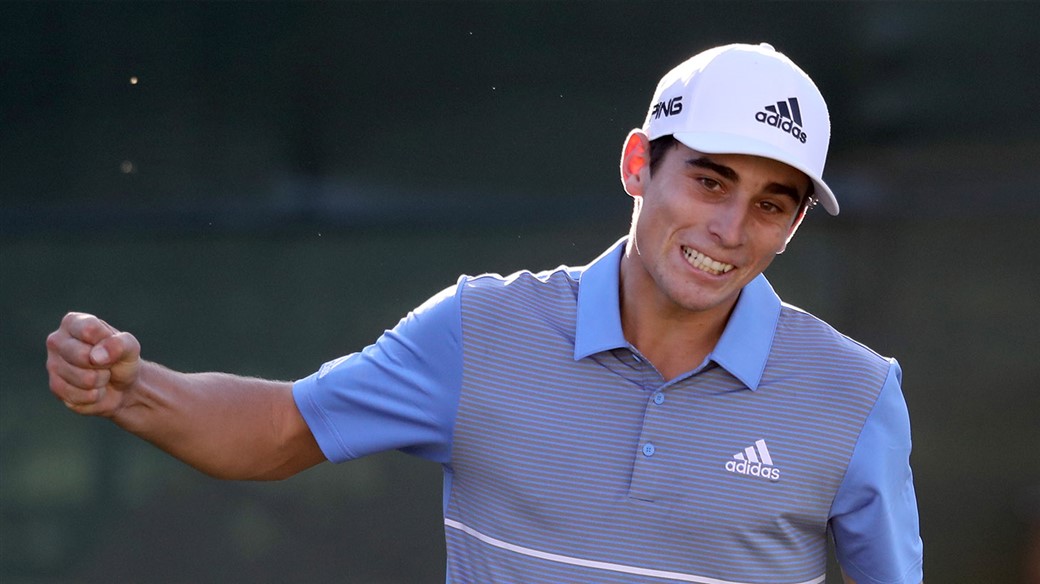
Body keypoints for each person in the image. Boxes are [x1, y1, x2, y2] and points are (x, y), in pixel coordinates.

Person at [46, 43, 923, 583]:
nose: (730, 229)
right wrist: (130, 388)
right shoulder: (479, 329)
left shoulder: (856, 394)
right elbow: (280, 428)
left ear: (795, 223)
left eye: (773, 203)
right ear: (637, 166)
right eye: (709, 180)